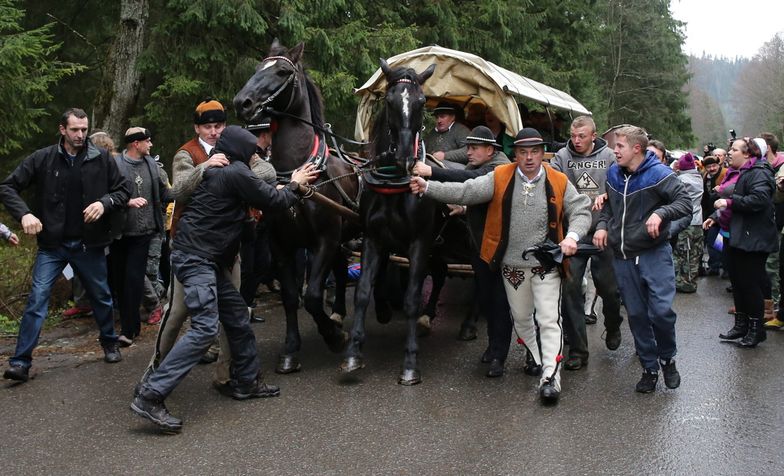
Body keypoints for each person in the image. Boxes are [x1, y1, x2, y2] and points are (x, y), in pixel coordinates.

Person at [131, 126, 319, 432]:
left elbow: (264, 193)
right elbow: (275, 199)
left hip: (206, 259)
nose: (256, 155)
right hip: (196, 259)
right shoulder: (235, 173)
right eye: (253, 152)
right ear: (242, 152)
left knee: (236, 316)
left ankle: (246, 381)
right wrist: (296, 184)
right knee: (205, 328)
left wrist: (285, 188)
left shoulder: (228, 173)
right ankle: (150, 395)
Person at [411, 127, 591, 404]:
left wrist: (572, 237)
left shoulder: (558, 180)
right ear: (514, 155)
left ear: (542, 154)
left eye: (534, 152)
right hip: (511, 268)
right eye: (522, 152)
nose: (529, 158)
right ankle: (538, 356)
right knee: (521, 320)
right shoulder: (499, 177)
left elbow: (580, 209)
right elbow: (465, 191)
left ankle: (550, 378)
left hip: (545, 265)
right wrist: (428, 187)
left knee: (548, 319)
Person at [0, 108, 130, 382]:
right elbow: (7, 187)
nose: (81, 135)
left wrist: (103, 203)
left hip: (88, 243)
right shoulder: (43, 158)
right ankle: (21, 362)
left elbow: (123, 190)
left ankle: (109, 341)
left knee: (102, 296)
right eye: (75, 130)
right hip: (52, 245)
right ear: (62, 130)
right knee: (37, 300)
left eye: (84, 129)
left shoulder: (101, 158)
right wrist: (24, 214)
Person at [593, 125, 691, 393]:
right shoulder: (613, 173)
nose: (615, 150)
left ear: (637, 148)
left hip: (654, 253)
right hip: (624, 255)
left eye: (620, 146)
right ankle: (649, 368)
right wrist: (602, 226)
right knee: (636, 315)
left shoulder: (659, 174)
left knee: (660, 311)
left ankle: (667, 358)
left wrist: (661, 213)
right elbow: (611, 207)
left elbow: (685, 203)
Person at [412, 126, 514, 377]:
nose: (468, 152)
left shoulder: (499, 166)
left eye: (474, 148)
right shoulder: (477, 165)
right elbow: (475, 195)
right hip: (480, 245)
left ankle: (504, 355)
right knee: (488, 300)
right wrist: (465, 210)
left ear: (490, 150)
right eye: (467, 147)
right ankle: (493, 347)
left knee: (505, 305)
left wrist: (431, 173)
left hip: (501, 248)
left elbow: (470, 185)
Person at [147, 99, 232, 381]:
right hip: (190, 244)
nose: (214, 132)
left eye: (218, 126)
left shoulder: (234, 147)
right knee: (178, 310)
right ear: (197, 128)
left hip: (227, 242)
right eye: (208, 127)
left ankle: (226, 374)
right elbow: (178, 192)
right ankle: (156, 368)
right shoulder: (186, 153)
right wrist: (205, 167)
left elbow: (262, 173)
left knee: (231, 307)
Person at [549, 116, 623, 370]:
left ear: (594, 135)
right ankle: (579, 351)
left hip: (604, 232)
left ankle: (612, 324)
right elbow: (553, 187)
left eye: (582, 136)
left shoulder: (611, 157)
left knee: (609, 290)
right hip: (574, 234)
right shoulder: (561, 157)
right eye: (573, 135)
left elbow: (623, 187)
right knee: (570, 291)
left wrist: (608, 194)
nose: (576, 141)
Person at [707, 138, 776, 347]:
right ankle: (741, 325)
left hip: (753, 238)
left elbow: (759, 200)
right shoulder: (744, 171)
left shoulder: (760, 172)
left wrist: (729, 201)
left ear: (748, 154)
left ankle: (757, 329)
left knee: (750, 284)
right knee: (738, 282)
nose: (729, 152)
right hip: (737, 235)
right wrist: (717, 216)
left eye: (734, 149)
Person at [109, 127, 172, 346]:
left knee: (134, 279)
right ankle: (131, 325)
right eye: (147, 141)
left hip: (144, 232)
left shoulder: (151, 165)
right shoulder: (116, 165)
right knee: (120, 281)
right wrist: (127, 202)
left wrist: (185, 191)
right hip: (119, 233)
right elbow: (107, 195)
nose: (151, 145)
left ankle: (128, 331)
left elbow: (164, 193)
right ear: (136, 144)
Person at [239, 118, 278, 323]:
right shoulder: (248, 155)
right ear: (264, 135)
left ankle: (248, 305)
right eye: (271, 134)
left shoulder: (266, 156)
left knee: (262, 264)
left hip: (263, 220)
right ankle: (243, 309)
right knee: (247, 267)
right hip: (248, 220)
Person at [672, 153, 704, 293]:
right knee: (695, 253)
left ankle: (682, 282)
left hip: (686, 222)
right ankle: (690, 280)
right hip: (698, 222)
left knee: (682, 252)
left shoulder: (681, 180)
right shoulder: (699, 178)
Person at [701, 156, 727, 275]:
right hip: (710, 213)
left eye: (714, 166)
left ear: (718, 165)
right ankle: (715, 266)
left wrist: (721, 189)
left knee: (722, 242)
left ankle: (725, 268)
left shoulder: (725, 174)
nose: (712, 168)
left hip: (724, 213)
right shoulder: (705, 176)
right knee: (712, 241)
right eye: (709, 167)